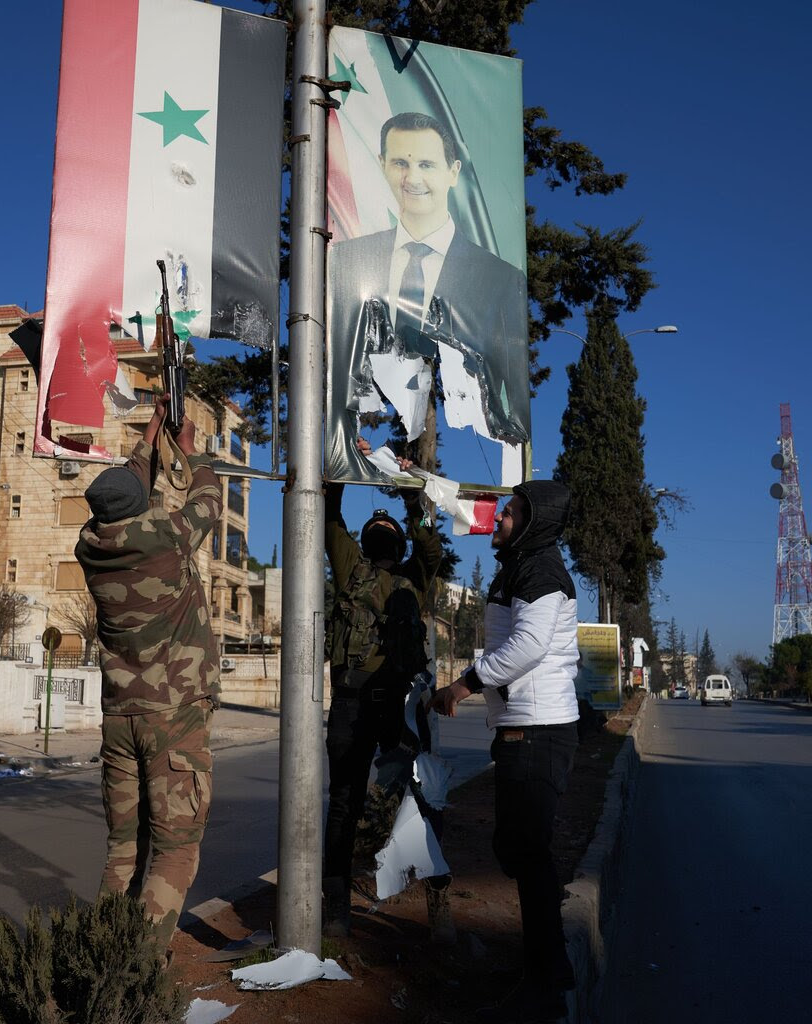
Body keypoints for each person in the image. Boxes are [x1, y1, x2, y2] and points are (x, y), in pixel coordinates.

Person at [75, 395, 222, 953]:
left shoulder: (89, 546)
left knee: (123, 850)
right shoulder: (168, 537)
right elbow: (207, 496)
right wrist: (189, 450)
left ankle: (101, 966)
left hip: (120, 719)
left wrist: (152, 434)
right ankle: (134, 975)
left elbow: (124, 489)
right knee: (177, 848)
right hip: (174, 719)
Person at [433, 481, 580, 1024]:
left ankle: (547, 981)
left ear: (535, 522)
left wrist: (462, 685)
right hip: (524, 727)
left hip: (538, 732)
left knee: (528, 853)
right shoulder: (523, 565)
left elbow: (527, 647)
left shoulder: (540, 571)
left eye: (511, 513)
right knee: (518, 849)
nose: (499, 520)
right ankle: (547, 965)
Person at [326, 111, 530, 483]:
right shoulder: (349, 262)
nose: (412, 177)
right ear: (382, 166)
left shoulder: (501, 280)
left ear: (452, 172)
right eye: (400, 163)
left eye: (426, 164)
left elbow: (513, 399)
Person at [323, 438, 446, 939]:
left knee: (413, 799)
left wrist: (413, 491)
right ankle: (335, 907)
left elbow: (431, 545)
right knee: (347, 802)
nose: (377, 535)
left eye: (383, 530)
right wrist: (343, 463)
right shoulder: (354, 569)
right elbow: (330, 516)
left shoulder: (416, 579)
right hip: (355, 703)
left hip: (394, 706)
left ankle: (431, 904)